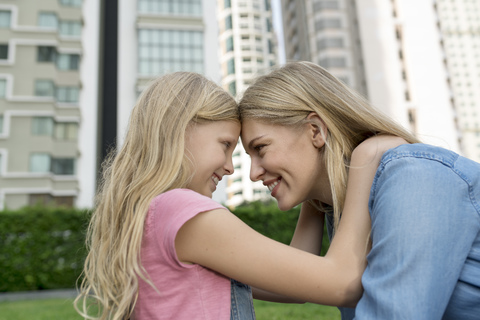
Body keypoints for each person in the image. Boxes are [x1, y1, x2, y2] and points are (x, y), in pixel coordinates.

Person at [74, 71, 402, 320]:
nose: (231, 168)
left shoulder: (153, 216)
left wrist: (315, 184)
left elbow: (293, 286)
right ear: (183, 128)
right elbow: (340, 283)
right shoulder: (183, 211)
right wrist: (364, 163)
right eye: (226, 145)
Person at [238, 61, 480, 319]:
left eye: (261, 148)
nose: (254, 174)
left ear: (315, 130)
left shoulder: (414, 176)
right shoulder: (336, 205)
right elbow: (297, 281)